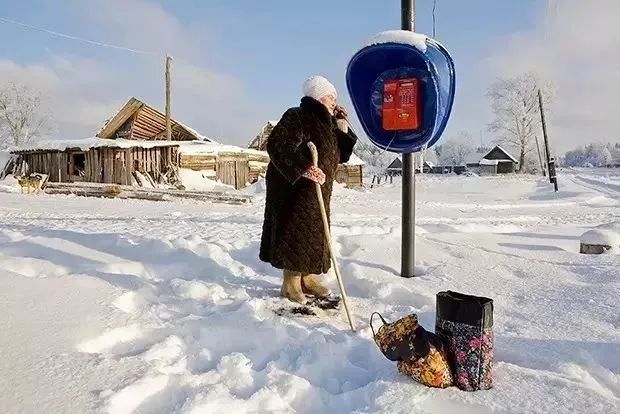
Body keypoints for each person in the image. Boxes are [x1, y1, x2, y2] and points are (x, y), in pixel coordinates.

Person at [259, 75, 357, 304]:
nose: (334, 101)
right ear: (317, 96)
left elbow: (342, 156)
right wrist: (303, 168)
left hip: (318, 189)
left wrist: (342, 125)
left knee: (315, 232)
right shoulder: (298, 116)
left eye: (335, 97)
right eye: (330, 96)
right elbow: (277, 145)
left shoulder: (328, 122)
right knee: (295, 231)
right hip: (293, 187)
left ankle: (308, 277)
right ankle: (291, 283)